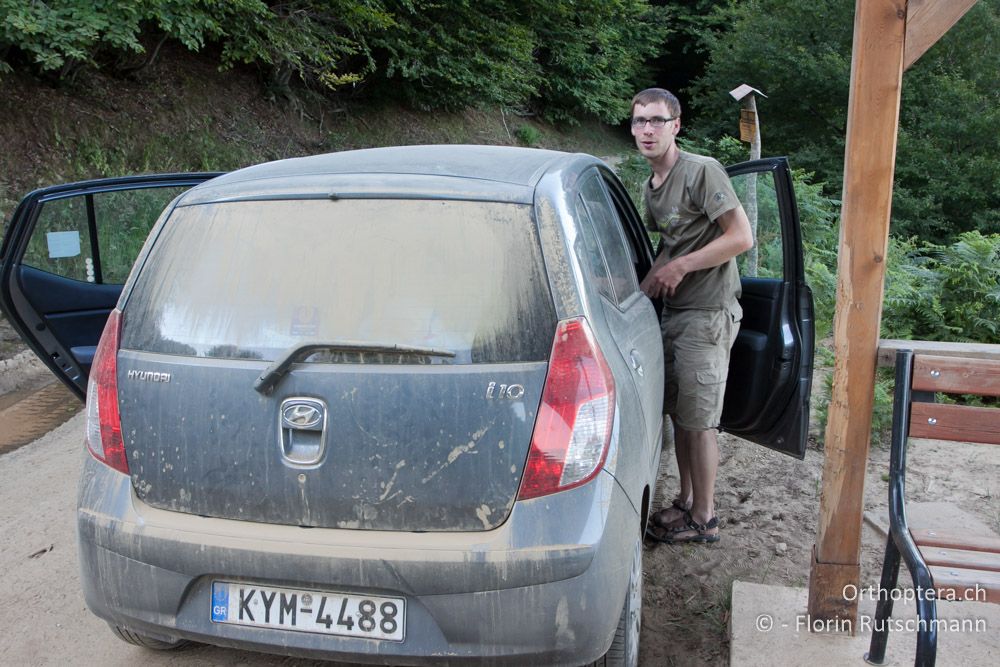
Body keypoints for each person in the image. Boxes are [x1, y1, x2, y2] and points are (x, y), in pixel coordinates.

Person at [632, 88, 753, 544]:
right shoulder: (652, 187)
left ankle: (705, 519)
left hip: (708, 314)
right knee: (681, 417)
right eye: (640, 121)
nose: (647, 130)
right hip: (675, 315)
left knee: (701, 423)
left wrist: (681, 267)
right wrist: (644, 285)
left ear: (676, 125)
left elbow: (741, 236)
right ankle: (685, 501)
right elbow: (672, 244)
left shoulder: (701, 171)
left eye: (657, 121)